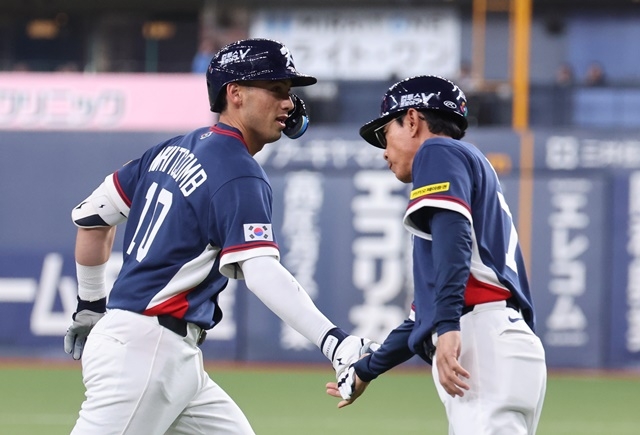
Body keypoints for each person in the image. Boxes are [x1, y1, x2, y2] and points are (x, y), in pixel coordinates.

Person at [64, 38, 372, 435]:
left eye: (290, 93)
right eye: (276, 90)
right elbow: (261, 271)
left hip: (167, 354)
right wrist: (334, 341)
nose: (289, 103)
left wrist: (90, 305)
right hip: (146, 353)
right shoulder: (238, 171)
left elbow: (91, 218)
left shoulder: (168, 150)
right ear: (235, 93)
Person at [327, 75, 547, 434]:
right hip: (502, 341)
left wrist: (448, 326)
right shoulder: (470, 162)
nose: (384, 150)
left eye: (386, 134)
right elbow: (420, 317)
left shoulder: (437, 151)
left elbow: (456, 242)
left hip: (480, 339)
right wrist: (367, 370)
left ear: (413, 120)